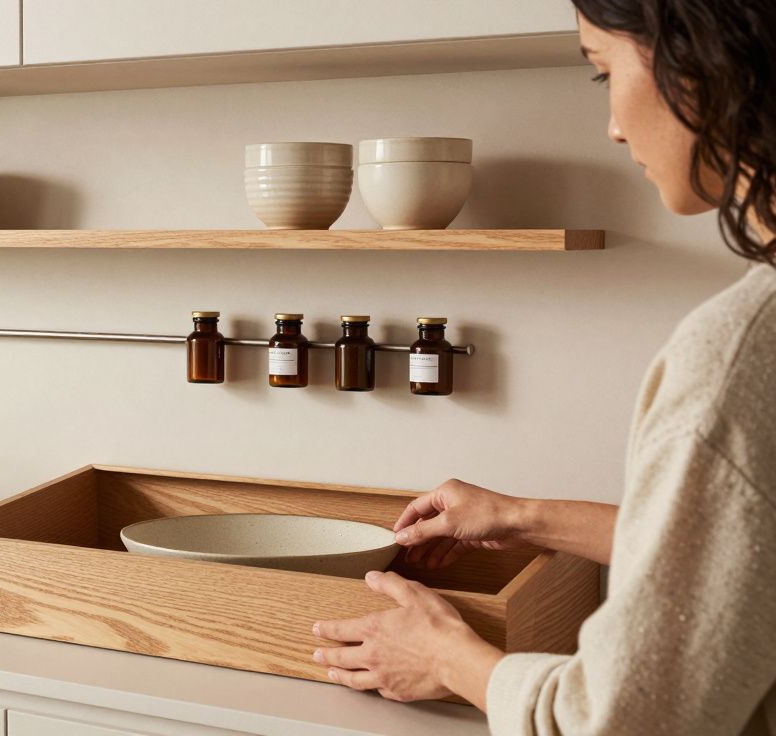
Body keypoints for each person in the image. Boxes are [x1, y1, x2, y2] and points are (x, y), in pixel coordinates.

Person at [310, 2, 776, 733]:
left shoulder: (737, 356)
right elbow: (746, 557)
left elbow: (624, 720)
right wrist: (525, 518)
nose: (615, 127)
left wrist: (447, 659)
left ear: (704, 61)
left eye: (603, 70)